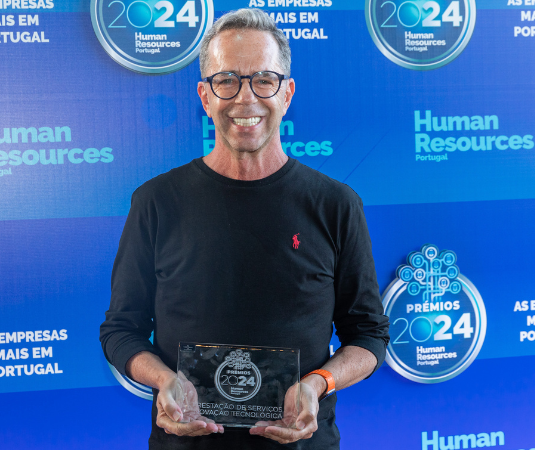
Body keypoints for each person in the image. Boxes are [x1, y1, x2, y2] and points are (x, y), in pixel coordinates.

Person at [99, 8, 390, 449]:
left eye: (264, 80)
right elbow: (121, 330)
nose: (245, 98)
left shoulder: (335, 204)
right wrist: (162, 380)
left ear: (287, 93)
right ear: (205, 96)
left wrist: (319, 383)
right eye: (227, 80)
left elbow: (368, 335)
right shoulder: (156, 202)